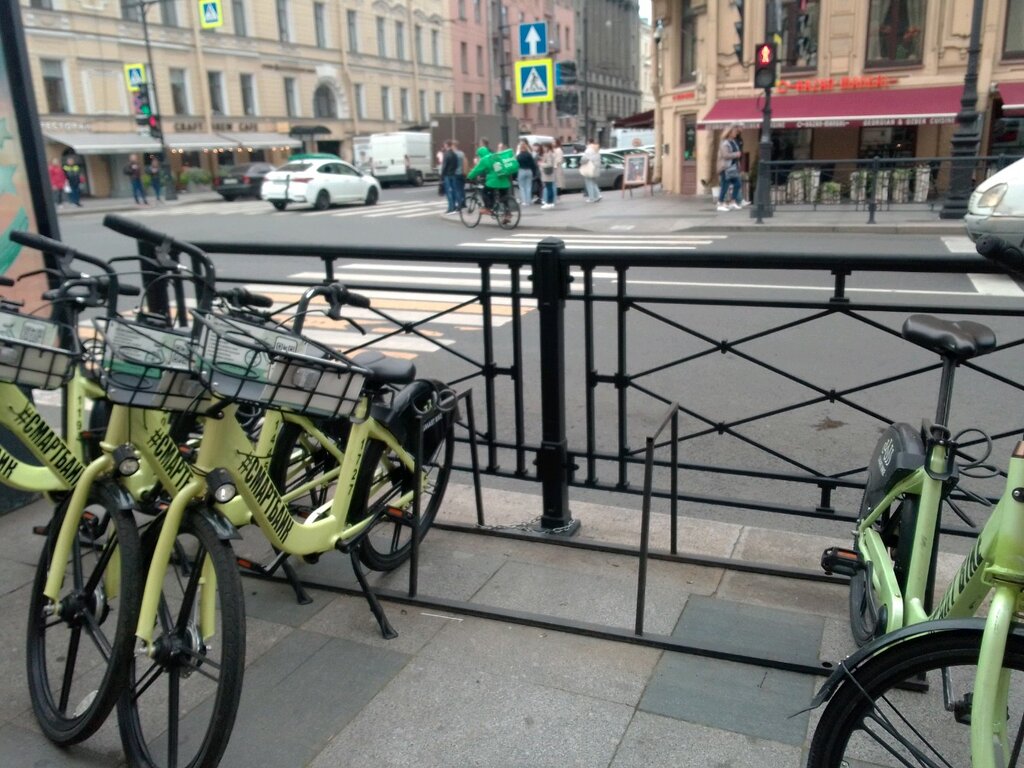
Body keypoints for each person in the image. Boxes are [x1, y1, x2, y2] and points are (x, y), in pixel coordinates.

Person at [466, 144, 512, 215]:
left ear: (480, 154)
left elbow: (476, 170)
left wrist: (469, 177)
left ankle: (488, 208)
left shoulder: (484, 159)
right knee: (503, 197)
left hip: (494, 181)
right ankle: (507, 213)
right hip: (504, 180)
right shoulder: (495, 156)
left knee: (484, 192)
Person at [716, 125, 747, 211]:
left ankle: (732, 202)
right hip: (726, 167)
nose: (736, 133)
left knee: (737, 184)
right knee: (725, 185)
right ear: (729, 133)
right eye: (734, 132)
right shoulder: (725, 143)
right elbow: (725, 155)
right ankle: (720, 203)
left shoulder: (733, 142)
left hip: (733, 167)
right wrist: (736, 154)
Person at [440, 140, 461, 214]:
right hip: (453, 174)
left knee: (449, 191)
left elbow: (444, 166)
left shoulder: (446, 154)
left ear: (446, 145)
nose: (444, 146)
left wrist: (442, 176)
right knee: (455, 190)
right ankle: (458, 205)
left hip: (447, 175)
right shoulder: (454, 154)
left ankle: (451, 207)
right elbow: (456, 165)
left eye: (444, 145)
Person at [515, 140, 538, 206]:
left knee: (522, 187)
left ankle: (524, 201)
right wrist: (534, 172)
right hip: (529, 171)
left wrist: (515, 174)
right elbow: (533, 164)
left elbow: (516, 165)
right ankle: (528, 201)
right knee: (528, 186)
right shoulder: (529, 155)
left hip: (521, 170)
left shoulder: (519, 156)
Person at [580, 139, 602, 203]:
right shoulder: (596, 149)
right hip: (595, 168)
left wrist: (581, 162)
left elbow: (585, 158)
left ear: (588, 142)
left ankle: (591, 198)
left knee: (589, 183)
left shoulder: (588, 150)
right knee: (593, 182)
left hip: (589, 168)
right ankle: (598, 195)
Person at [538, 143, 557, 209]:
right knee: (549, 187)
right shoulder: (549, 154)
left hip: (547, 173)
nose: (543, 149)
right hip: (549, 173)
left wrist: (541, 164)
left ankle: (549, 202)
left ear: (547, 147)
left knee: (549, 188)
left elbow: (549, 164)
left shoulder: (548, 154)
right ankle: (550, 202)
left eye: (544, 147)